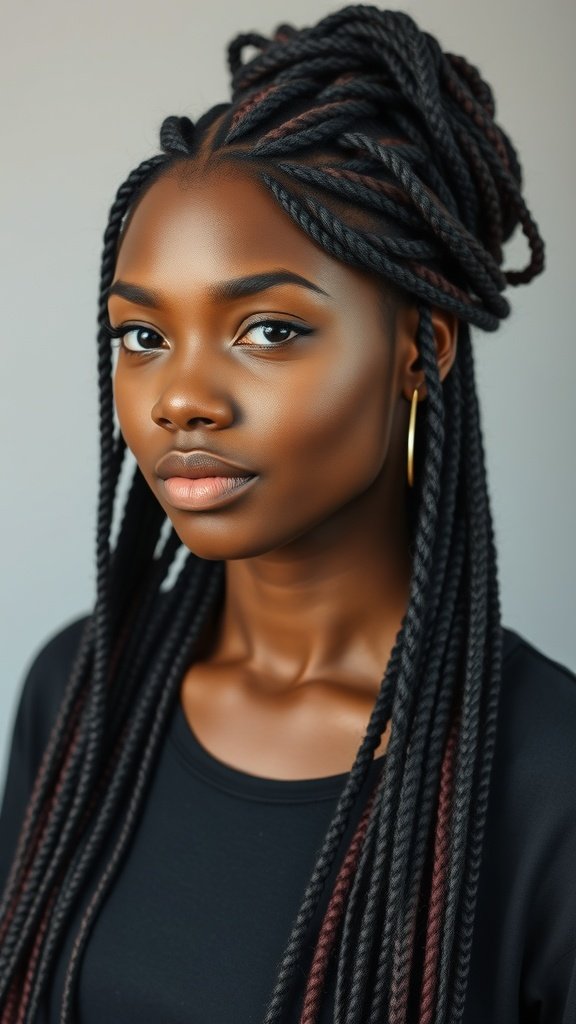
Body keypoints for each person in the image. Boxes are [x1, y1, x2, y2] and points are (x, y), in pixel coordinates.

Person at [0, 5, 575, 1022]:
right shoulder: (82, 692)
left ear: (421, 347)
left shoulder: (546, 774)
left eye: (267, 328)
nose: (180, 397)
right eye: (141, 336)